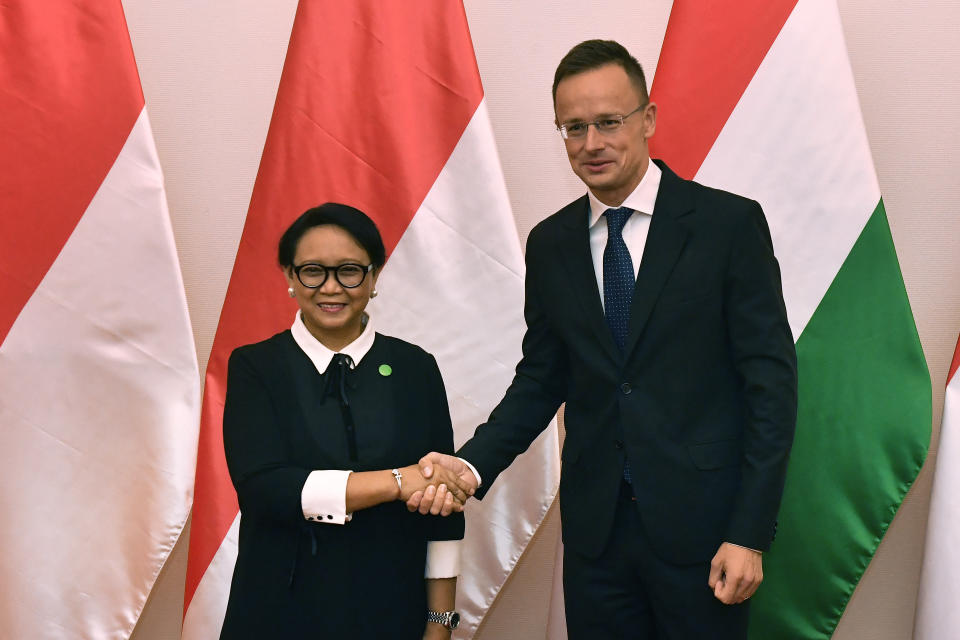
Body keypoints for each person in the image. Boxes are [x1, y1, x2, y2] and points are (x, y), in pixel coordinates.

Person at [408, 40, 798, 638]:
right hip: (597, 540)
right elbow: (542, 379)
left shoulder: (728, 226)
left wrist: (749, 532)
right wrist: (469, 467)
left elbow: (771, 390)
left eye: (609, 122)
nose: (591, 143)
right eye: (573, 127)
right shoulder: (551, 243)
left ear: (647, 119)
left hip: (705, 534)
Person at [220, 203, 469, 639]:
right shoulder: (255, 367)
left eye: (349, 271)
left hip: (393, 611)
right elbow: (265, 488)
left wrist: (440, 624)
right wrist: (397, 481)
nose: (331, 287)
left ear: (374, 278)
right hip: (278, 613)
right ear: (289, 277)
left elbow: (443, 507)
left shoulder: (415, 367)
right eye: (312, 271)